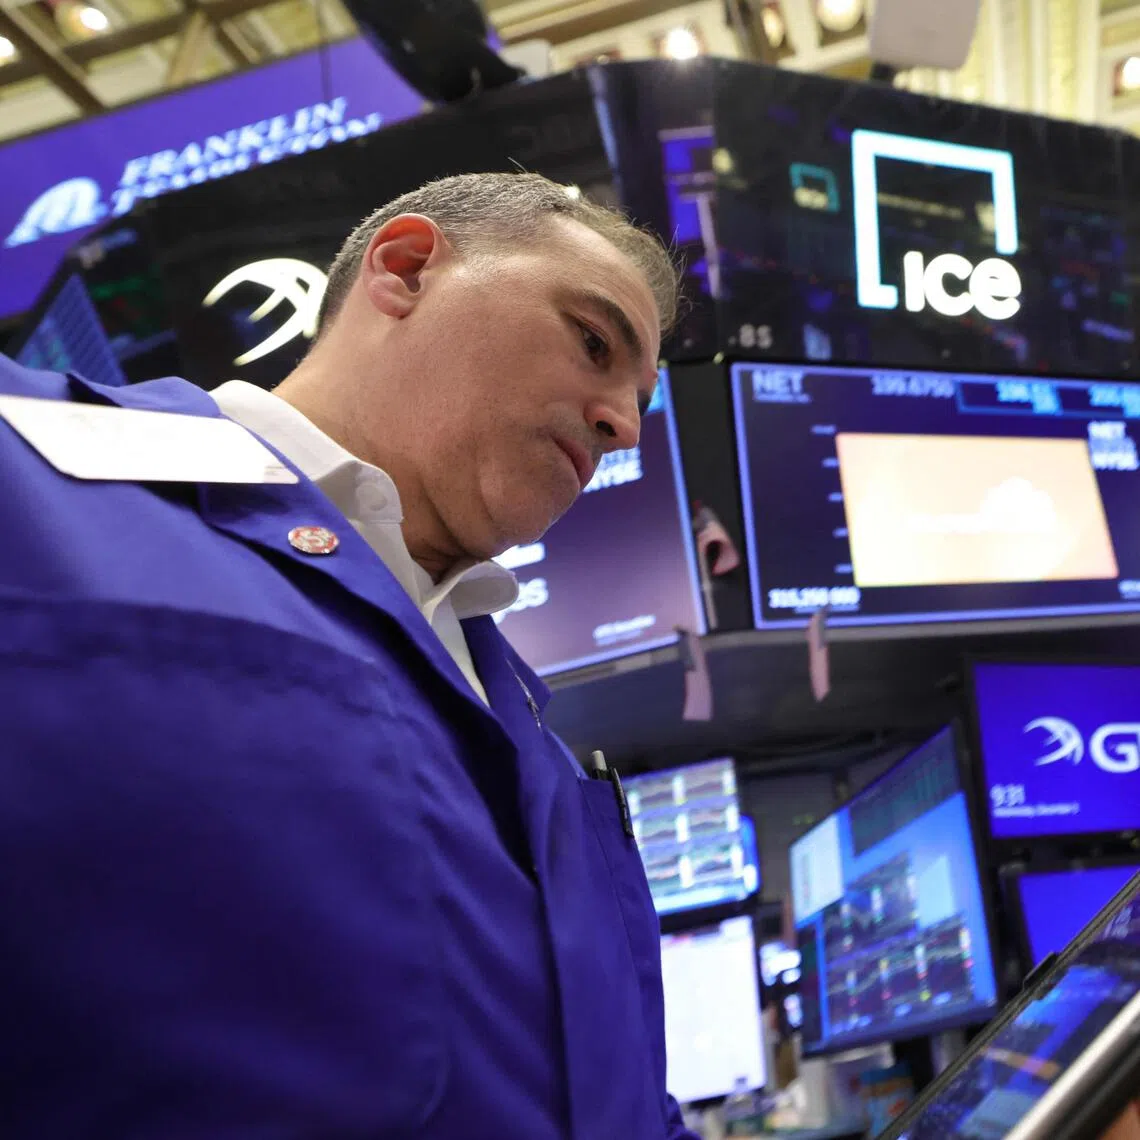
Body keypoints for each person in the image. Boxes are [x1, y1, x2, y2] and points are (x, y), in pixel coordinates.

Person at [0, 172, 699, 1139]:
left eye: (638, 398)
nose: (623, 422)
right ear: (406, 269)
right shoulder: (29, 471)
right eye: (592, 341)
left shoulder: (523, 720)